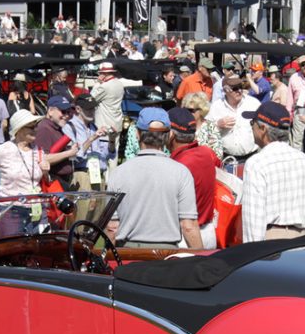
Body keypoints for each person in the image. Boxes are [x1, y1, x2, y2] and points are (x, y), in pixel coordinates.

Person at [105, 108, 201, 250]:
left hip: (127, 253)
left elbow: (112, 227)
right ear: (169, 135)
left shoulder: (118, 173)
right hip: (166, 254)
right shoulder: (181, 172)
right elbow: (188, 226)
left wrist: (108, 258)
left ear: (137, 134)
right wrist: (201, 257)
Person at [238, 101, 305, 242]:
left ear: (263, 129)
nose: (251, 128)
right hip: (303, 239)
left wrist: (254, 251)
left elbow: (253, 220)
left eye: (252, 124)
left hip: (271, 242)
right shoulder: (304, 160)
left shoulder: (256, 164)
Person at [0, 109, 49, 237]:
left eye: (36, 126)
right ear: (19, 129)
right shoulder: (4, 149)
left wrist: (46, 172)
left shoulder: (38, 150)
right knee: (12, 247)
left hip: (37, 208)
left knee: (41, 246)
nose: (35, 130)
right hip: (11, 211)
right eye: (31, 127)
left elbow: (43, 181)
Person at [167, 107, 220, 248]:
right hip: (209, 232)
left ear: (171, 134)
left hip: (186, 237)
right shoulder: (208, 153)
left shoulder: (177, 165)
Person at [207, 75, 261, 169]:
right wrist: (218, 125)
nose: (239, 91)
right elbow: (206, 131)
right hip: (228, 160)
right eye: (235, 88)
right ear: (225, 90)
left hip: (252, 159)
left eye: (241, 87)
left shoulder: (253, 103)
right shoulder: (216, 106)